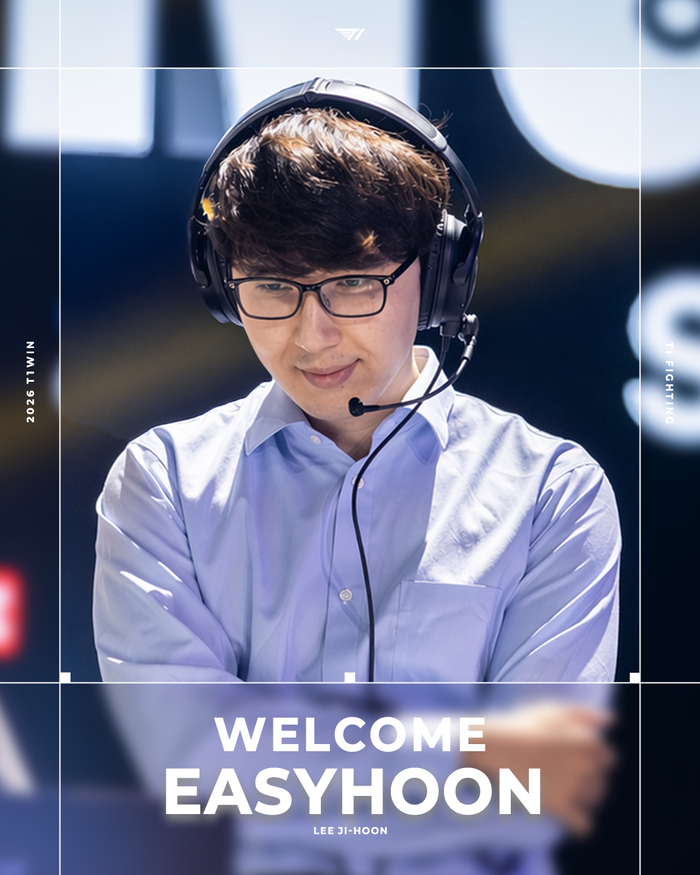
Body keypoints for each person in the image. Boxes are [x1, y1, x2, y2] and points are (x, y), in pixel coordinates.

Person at [93, 79, 620, 683]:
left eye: (352, 283)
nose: (312, 336)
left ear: (438, 276)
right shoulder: (163, 483)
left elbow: (534, 744)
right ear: (223, 287)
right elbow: (184, 736)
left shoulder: (552, 495)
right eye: (272, 287)